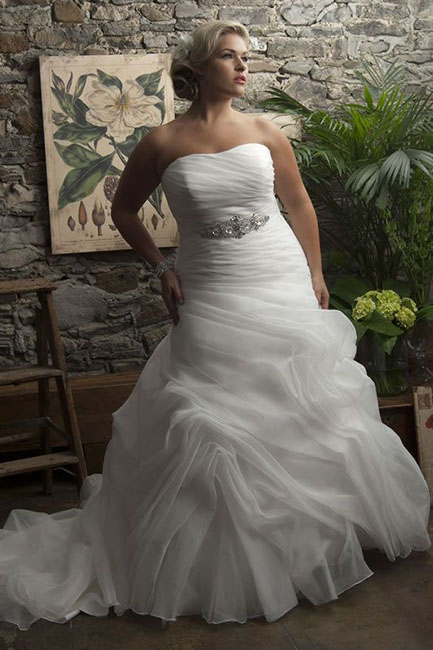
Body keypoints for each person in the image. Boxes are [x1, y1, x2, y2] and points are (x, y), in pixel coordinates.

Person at [0, 19, 431, 631]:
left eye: (245, 57)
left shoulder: (265, 131)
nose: (243, 66)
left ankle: (309, 544)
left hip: (277, 271)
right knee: (209, 414)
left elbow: (298, 203)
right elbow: (123, 211)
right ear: (199, 68)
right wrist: (160, 268)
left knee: (299, 400)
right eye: (229, 57)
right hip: (210, 282)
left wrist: (315, 272)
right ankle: (224, 559)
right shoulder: (162, 141)